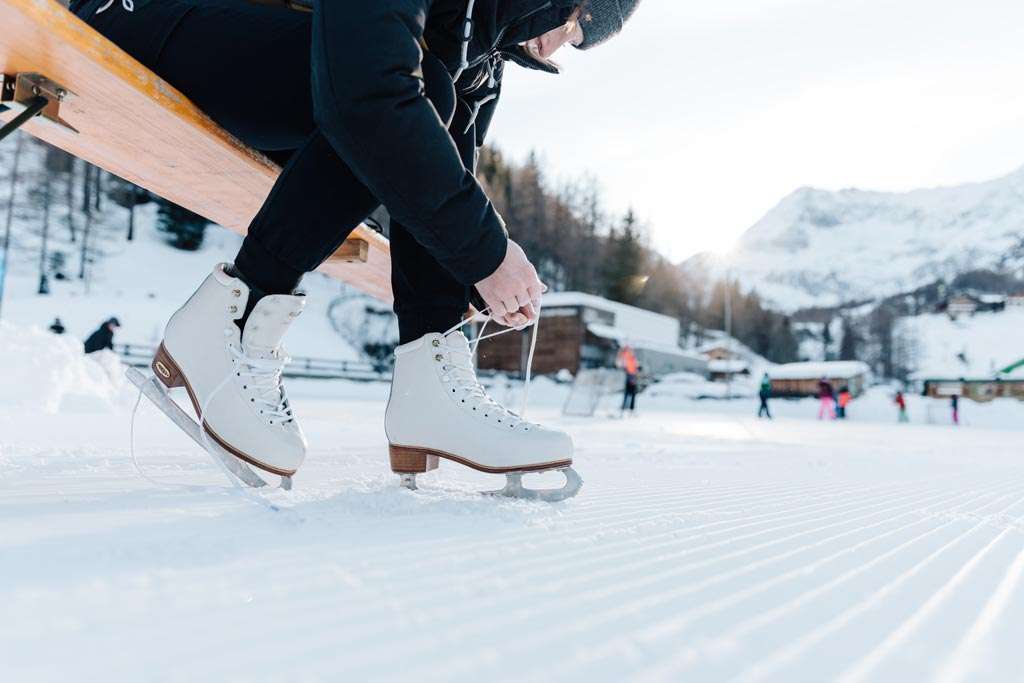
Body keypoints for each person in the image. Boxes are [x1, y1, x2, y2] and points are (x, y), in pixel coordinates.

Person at [71, 0, 643, 480]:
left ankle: (430, 384)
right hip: (146, 14)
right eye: (573, 22)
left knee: (429, 110)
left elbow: (447, 161)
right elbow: (368, 93)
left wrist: (458, 287)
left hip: (265, 71)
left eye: (576, 43)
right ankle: (236, 315)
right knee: (404, 93)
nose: (555, 46)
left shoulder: (485, 48)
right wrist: (485, 251)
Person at [617, 345, 639, 415]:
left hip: (631, 375)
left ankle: (628, 408)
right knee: (629, 393)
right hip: (630, 375)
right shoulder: (628, 356)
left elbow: (635, 366)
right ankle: (627, 408)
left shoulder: (629, 356)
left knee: (630, 393)